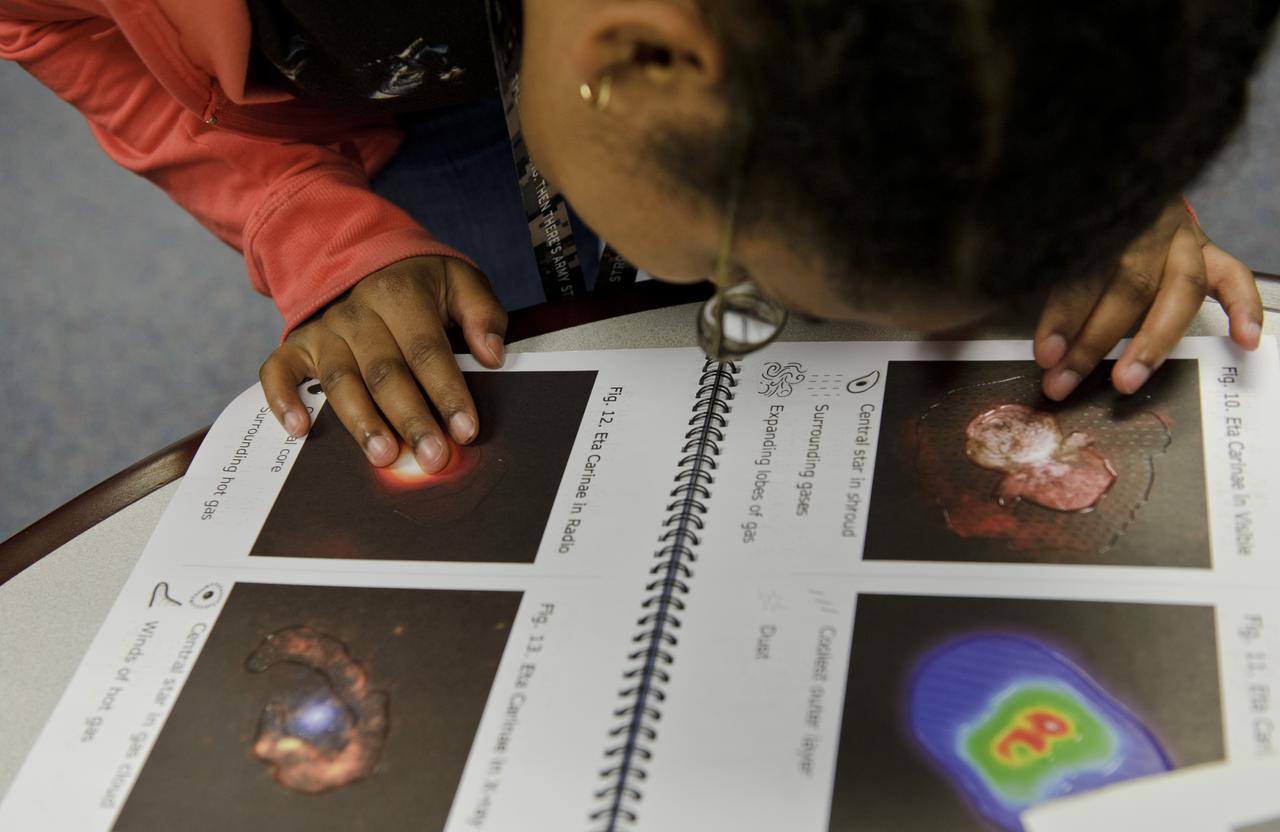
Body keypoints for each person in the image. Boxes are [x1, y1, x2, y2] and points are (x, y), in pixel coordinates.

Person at [3, 1, 1273, 474]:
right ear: (646, 59)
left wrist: (1069, 153)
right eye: (753, 287)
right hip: (383, 90)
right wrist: (303, 215)